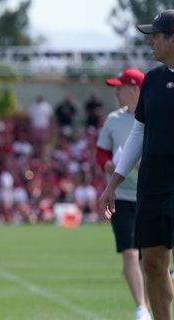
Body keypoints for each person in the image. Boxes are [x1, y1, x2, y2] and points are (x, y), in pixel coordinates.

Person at [99, 9, 174, 320]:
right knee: (153, 263)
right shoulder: (153, 80)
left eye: (155, 36)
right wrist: (114, 181)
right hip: (154, 186)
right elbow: (138, 131)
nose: (150, 43)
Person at [95, 68, 151, 320]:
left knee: (150, 256)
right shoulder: (113, 119)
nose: (115, 92)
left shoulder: (156, 116)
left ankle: (150, 304)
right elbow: (102, 153)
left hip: (152, 195)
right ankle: (141, 307)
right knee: (129, 251)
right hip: (123, 196)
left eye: (120, 87)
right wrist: (108, 165)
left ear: (134, 89)